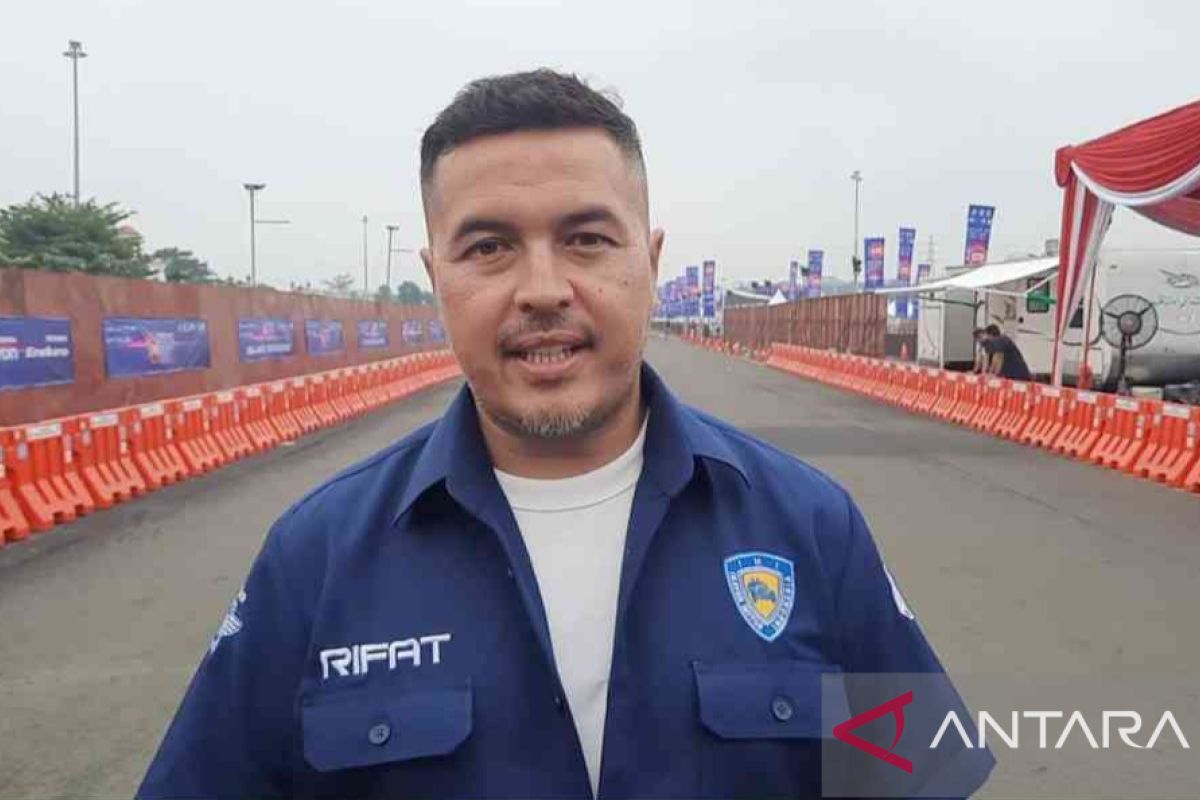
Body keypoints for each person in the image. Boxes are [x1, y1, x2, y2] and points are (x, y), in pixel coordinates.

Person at [138, 70, 991, 799]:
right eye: (489, 247)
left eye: (586, 239)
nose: (543, 289)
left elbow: (916, 778)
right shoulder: (316, 559)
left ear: (650, 261)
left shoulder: (811, 527)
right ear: (436, 278)